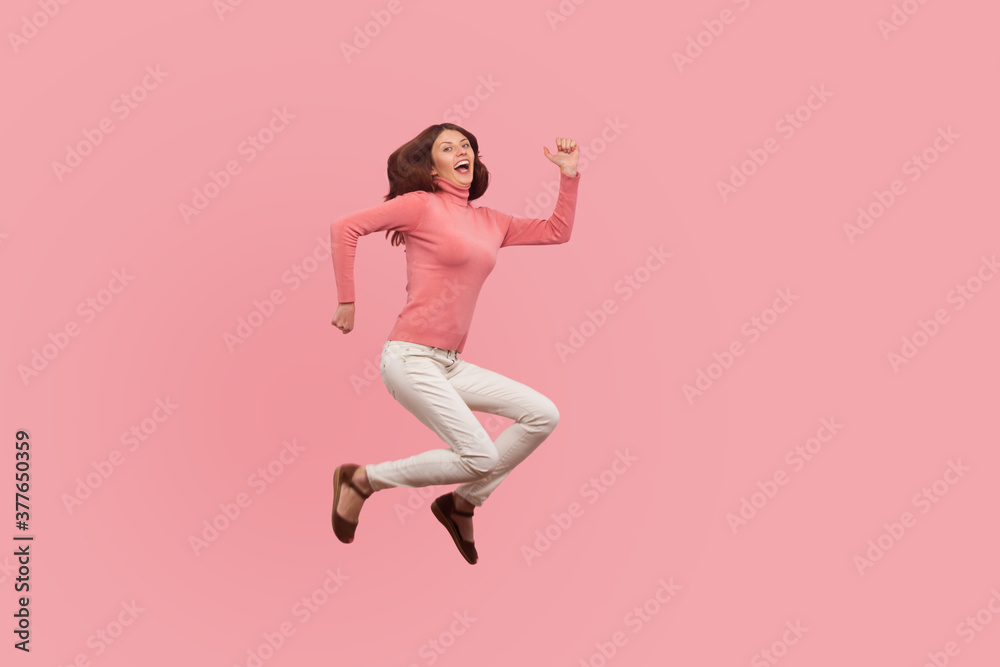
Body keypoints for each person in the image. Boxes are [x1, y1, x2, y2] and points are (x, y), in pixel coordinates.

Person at [329, 122, 581, 564]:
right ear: (431, 165)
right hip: (408, 358)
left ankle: (463, 502)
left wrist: (569, 175)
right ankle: (363, 480)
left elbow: (556, 231)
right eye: (448, 147)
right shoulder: (420, 206)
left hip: (449, 363)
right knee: (480, 454)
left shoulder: (491, 222)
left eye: (466, 146)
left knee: (543, 415)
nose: (462, 151)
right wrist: (347, 301)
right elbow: (344, 228)